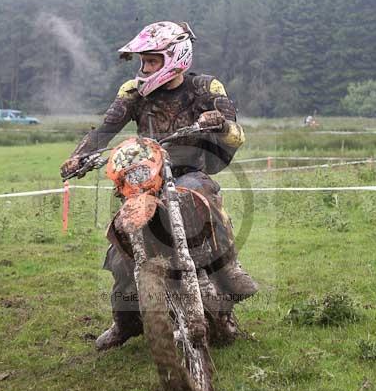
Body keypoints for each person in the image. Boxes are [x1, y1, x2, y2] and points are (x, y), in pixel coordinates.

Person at [59, 21, 258, 351]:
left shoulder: (206, 88)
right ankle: (124, 321)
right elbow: (104, 131)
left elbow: (237, 132)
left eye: (152, 61)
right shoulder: (133, 92)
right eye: (143, 62)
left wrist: (219, 123)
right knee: (125, 240)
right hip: (145, 175)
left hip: (190, 170)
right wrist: (79, 155)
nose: (145, 68)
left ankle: (230, 268)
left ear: (175, 57)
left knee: (204, 195)